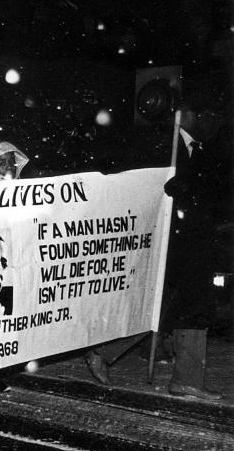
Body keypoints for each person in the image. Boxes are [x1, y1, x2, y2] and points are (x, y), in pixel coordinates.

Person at [85, 90, 227, 399]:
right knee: (170, 308)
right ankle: (106, 352)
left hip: (195, 242)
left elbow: (210, 191)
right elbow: (143, 186)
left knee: (187, 308)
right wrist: (172, 191)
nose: (205, 120)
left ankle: (185, 377)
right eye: (198, 114)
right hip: (175, 244)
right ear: (182, 115)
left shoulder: (197, 149)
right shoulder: (164, 146)